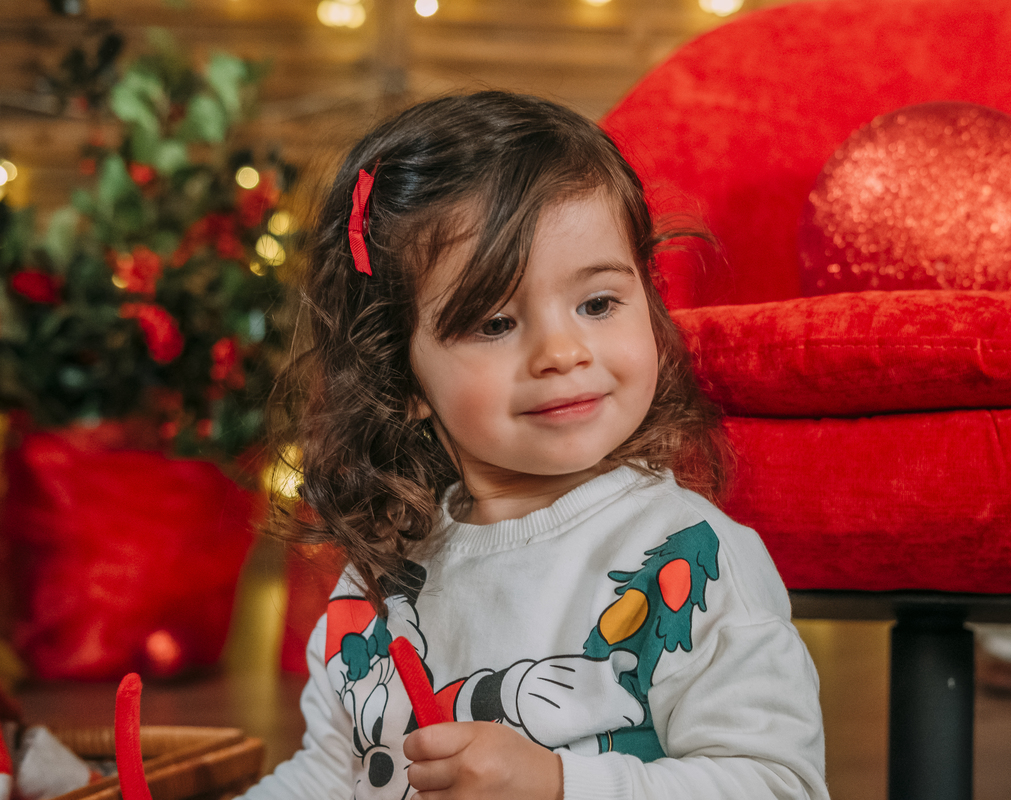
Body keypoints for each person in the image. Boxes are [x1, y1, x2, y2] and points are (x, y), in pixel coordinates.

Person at [240, 91, 828, 800]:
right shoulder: (376, 587)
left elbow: (774, 784)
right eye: (494, 323)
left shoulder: (692, 565)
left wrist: (557, 783)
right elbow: (331, 779)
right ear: (404, 375)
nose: (561, 351)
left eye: (598, 303)